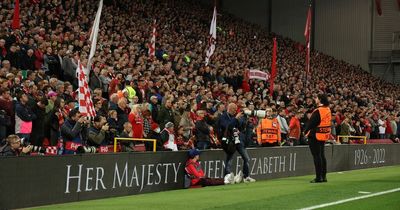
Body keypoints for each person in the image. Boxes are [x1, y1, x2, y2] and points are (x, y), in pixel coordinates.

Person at [217, 103, 256, 184]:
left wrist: (246, 121)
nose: (235, 110)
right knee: (229, 159)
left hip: (238, 140)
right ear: (230, 108)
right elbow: (227, 126)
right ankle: (227, 177)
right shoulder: (223, 117)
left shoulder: (234, 117)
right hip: (230, 141)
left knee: (246, 158)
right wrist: (236, 118)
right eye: (234, 109)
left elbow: (240, 128)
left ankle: (246, 176)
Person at [304, 94, 331, 183]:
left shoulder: (318, 110)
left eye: (316, 98)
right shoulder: (327, 109)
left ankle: (318, 177)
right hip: (323, 134)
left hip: (315, 135)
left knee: (317, 156)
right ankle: (323, 176)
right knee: (322, 155)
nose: (315, 99)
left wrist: (305, 131)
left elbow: (311, 123)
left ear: (320, 100)